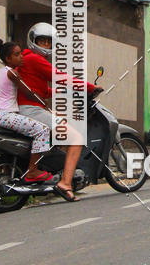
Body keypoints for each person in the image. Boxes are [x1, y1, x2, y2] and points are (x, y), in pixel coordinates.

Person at [16, 22, 98, 202]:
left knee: (60, 126)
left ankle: (51, 169)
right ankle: (65, 183)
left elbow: (40, 91)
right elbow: (61, 77)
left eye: (49, 41)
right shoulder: (34, 59)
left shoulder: (26, 59)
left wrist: (60, 93)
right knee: (76, 138)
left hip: (27, 109)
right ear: (33, 40)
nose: (46, 44)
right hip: (31, 110)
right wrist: (89, 87)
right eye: (42, 41)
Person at [0, 39, 53, 182]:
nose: (21, 57)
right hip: (4, 115)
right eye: (17, 55)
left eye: (21, 53)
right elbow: (28, 92)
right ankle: (32, 170)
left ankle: (9, 169)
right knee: (42, 130)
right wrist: (42, 101)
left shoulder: (2, 71)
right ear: (8, 58)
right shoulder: (13, 74)